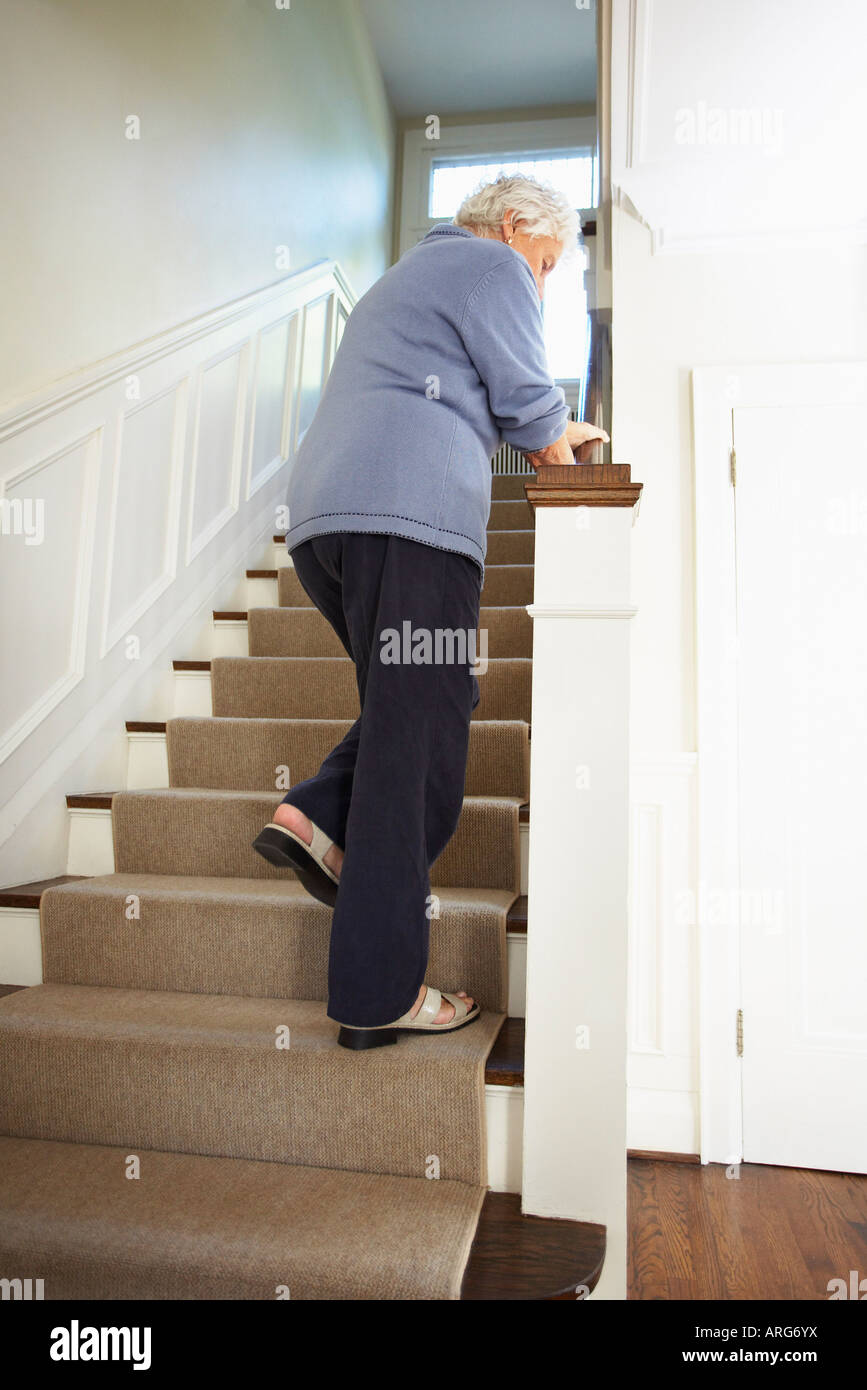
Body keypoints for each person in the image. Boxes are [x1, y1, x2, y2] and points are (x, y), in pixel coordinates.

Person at [252, 174, 607, 1049]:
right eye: (547, 261)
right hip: (408, 523)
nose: (542, 281)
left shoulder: (411, 276)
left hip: (331, 527)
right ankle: (379, 994)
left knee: (423, 711)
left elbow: (489, 396)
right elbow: (528, 401)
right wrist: (569, 449)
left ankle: (317, 811)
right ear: (517, 226)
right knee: (418, 760)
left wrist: (553, 433)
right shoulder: (490, 268)